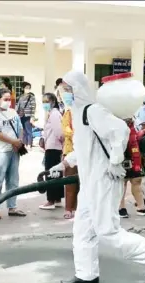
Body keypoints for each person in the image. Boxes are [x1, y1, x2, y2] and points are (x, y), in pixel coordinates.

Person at [48, 71, 145, 283]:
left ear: (78, 90)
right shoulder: (77, 113)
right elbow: (85, 149)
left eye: (68, 89)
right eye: (63, 89)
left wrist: (115, 160)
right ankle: (87, 274)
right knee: (82, 230)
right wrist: (63, 164)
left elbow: (120, 130)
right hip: (89, 182)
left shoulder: (92, 111)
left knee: (106, 230)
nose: (64, 93)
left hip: (103, 180)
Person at [0, 88, 27, 220]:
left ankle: (12, 206)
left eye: (9, 99)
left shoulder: (13, 112)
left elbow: (20, 128)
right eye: (5, 99)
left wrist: (19, 142)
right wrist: (14, 142)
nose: (8, 102)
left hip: (14, 151)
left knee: (13, 180)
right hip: (1, 152)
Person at [39, 93, 64, 210]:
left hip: (54, 147)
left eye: (46, 101)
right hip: (54, 146)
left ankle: (51, 200)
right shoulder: (52, 114)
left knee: (50, 173)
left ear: (53, 102)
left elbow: (59, 132)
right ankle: (57, 198)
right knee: (56, 173)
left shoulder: (54, 114)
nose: (44, 104)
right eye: (43, 101)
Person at [61, 88, 79, 219]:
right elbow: (66, 130)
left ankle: (78, 208)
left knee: (82, 183)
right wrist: (78, 135)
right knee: (70, 182)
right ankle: (69, 208)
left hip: (83, 152)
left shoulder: (84, 111)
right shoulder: (69, 113)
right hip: (70, 150)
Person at [16, 81, 36, 149]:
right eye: (26, 88)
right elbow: (18, 106)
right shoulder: (20, 96)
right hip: (21, 115)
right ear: (23, 88)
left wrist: (32, 116)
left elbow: (33, 107)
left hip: (28, 115)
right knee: (23, 131)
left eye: (29, 88)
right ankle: (24, 144)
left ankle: (29, 144)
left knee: (29, 130)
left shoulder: (31, 96)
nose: (28, 89)